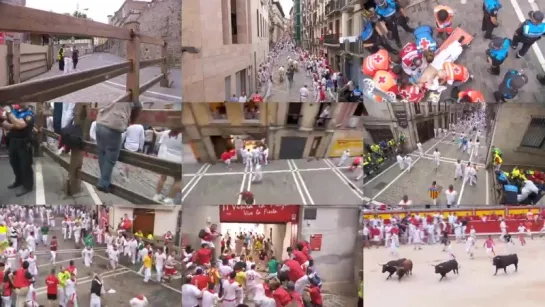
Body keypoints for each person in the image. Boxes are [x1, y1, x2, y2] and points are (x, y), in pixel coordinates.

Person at [95, 101, 142, 193]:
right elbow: (138, 106)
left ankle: (104, 180)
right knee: (111, 157)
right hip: (114, 125)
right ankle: (103, 184)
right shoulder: (131, 94)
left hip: (100, 122)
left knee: (102, 153)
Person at [1, 103, 35, 197]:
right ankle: (19, 180)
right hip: (12, 141)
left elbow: (21, 125)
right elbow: (4, 124)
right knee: (14, 163)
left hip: (24, 143)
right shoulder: (14, 112)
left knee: (25, 165)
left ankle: (28, 186)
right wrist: (14, 124)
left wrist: (10, 116)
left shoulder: (29, 113)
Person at [152, 128, 182, 204]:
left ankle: (157, 195)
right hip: (178, 160)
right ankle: (169, 198)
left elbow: (161, 144)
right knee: (178, 180)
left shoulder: (166, 133)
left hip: (166, 159)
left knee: (162, 177)